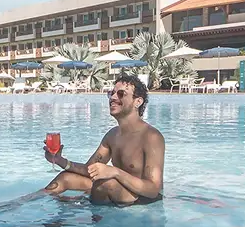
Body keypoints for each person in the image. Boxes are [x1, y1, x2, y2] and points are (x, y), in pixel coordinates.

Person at [42, 74, 164, 205]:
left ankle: (81, 213)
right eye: (111, 93)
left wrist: (115, 172)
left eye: (121, 94)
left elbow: (153, 189)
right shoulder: (112, 135)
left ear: (138, 102)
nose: (113, 97)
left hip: (142, 198)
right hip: (116, 190)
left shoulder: (151, 137)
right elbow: (89, 170)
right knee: (65, 177)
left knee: (104, 183)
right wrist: (60, 161)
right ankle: (25, 203)